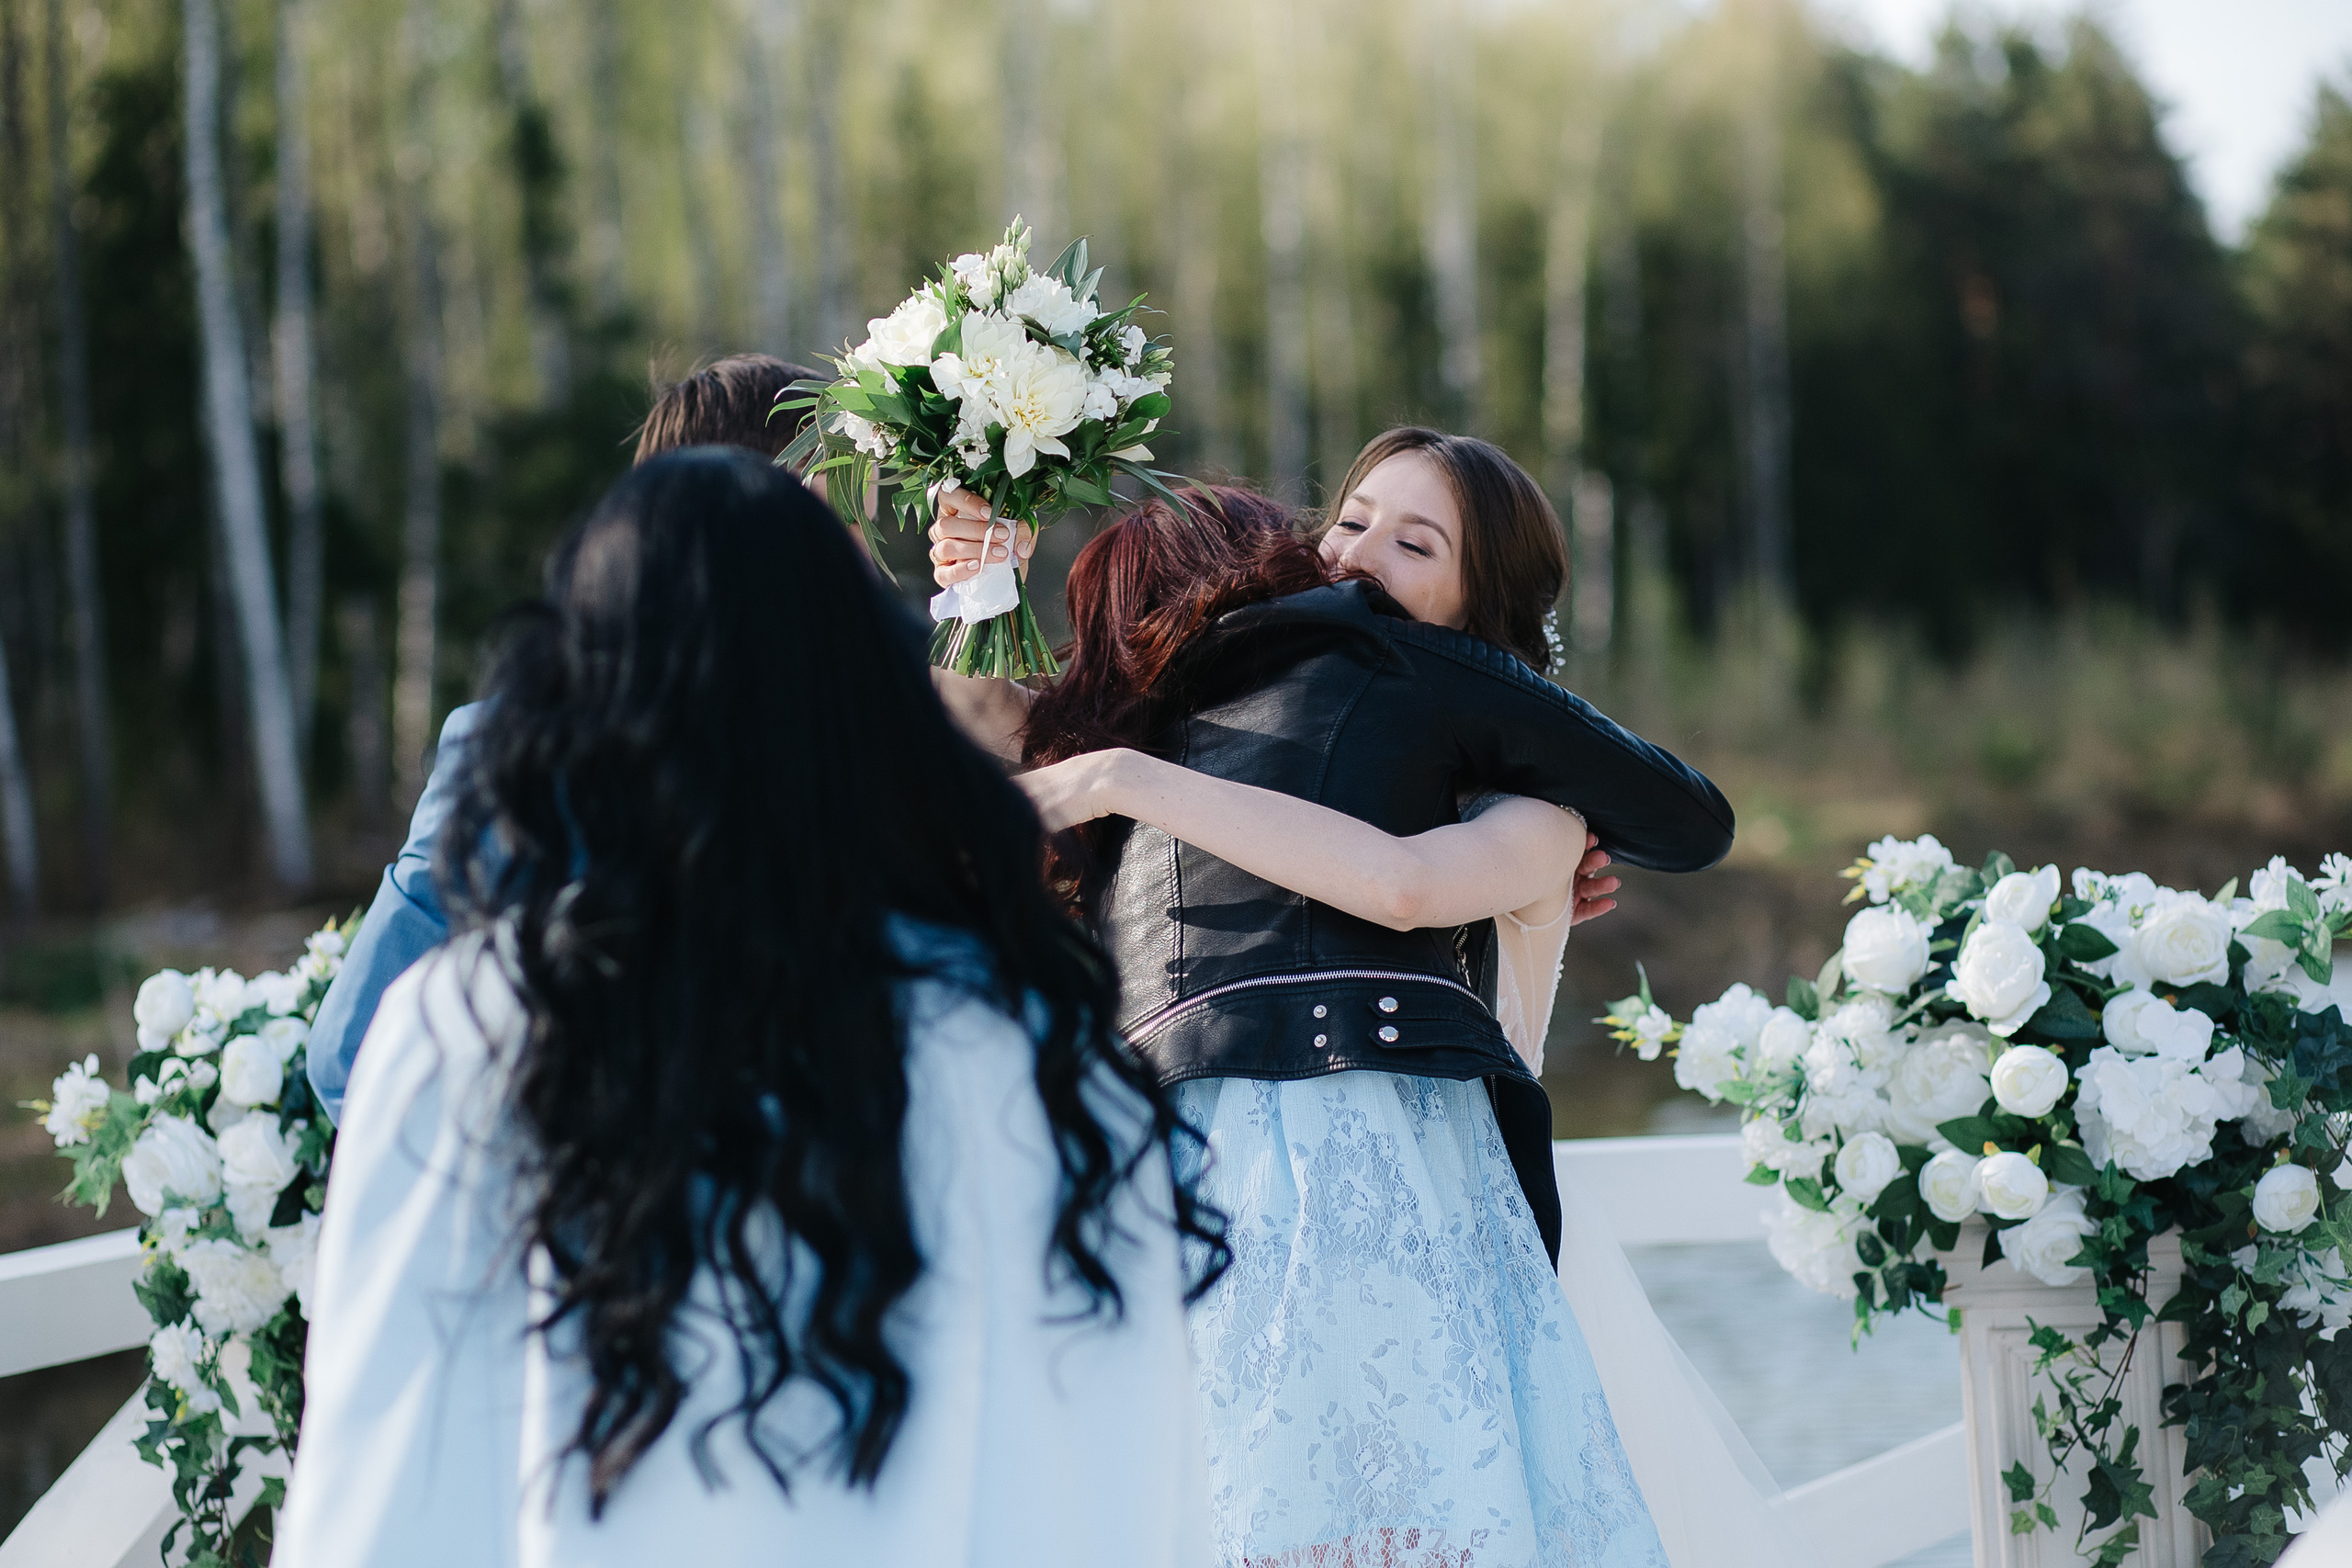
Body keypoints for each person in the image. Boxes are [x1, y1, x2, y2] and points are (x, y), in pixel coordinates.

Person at [276, 451, 1224, 1568]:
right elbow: (1121, 1478)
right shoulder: (1020, 1043)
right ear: (864, 702)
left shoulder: (474, 1019)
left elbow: (377, 1483)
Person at [929, 432, 1808, 1567]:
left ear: (1472, 610)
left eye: (1414, 542)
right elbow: (980, 729)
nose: (1357, 556)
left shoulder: (1527, 806)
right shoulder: (1219, 725)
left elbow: (1403, 884)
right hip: (1177, 1169)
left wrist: (1119, 775)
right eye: (1348, 521)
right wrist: (982, 581)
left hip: (1392, 1171)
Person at [306, 353, 821, 1123]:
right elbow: (352, 1054)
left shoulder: (832, 748)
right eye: (838, 527)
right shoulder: (519, 758)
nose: (860, 573)